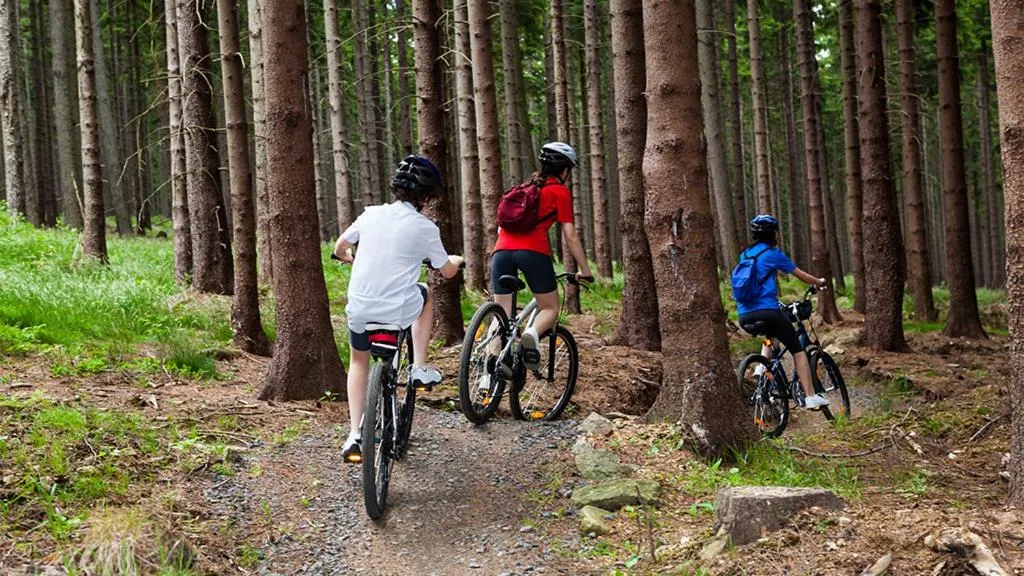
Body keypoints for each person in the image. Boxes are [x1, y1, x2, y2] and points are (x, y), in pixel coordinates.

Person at [333, 155, 464, 463]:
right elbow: (446, 272)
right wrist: (455, 262)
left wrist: (351, 258)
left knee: (358, 363)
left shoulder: (371, 215)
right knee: (425, 294)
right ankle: (419, 367)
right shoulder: (426, 228)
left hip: (360, 310)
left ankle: (354, 433)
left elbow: (340, 247)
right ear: (427, 196)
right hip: (396, 311)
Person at [490, 142, 593, 369]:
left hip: (500, 252)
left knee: (501, 315)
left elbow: (500, 228)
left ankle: (489, 373)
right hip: (533, 252)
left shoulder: (522, 189)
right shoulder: (559, 191)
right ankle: (532, 333)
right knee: (550, 309)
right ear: (565, 170)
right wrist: (585, 270)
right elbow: (570, 235)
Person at [735, 214, 830, 409]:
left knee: (771, 335)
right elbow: (801, 275)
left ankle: (762, 366)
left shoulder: (744, 255)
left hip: (744, 314)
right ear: (773, 234)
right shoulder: (773, 254)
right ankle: (811, 396)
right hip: (768, 310)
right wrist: (818, 282)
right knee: (797, 350)